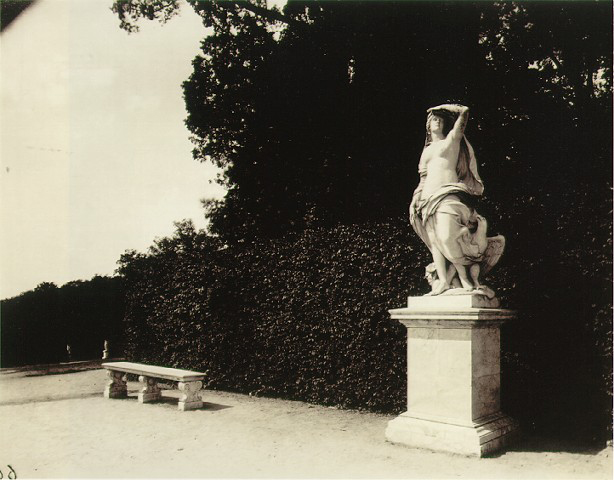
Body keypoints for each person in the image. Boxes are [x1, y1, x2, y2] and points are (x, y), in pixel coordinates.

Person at [409, 104, 498, 296]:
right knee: (436, 242)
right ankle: (443, 281)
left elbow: (464, 114)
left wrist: (447, 107)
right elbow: (423, 178)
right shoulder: (426, 151)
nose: (437, 120)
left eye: (441, 119)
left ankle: (465, 279)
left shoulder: (451, 142)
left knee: (448, 237)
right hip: (426, 200)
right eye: (434, 118)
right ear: (428, 125)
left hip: (447, 195)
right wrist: (416, 198)